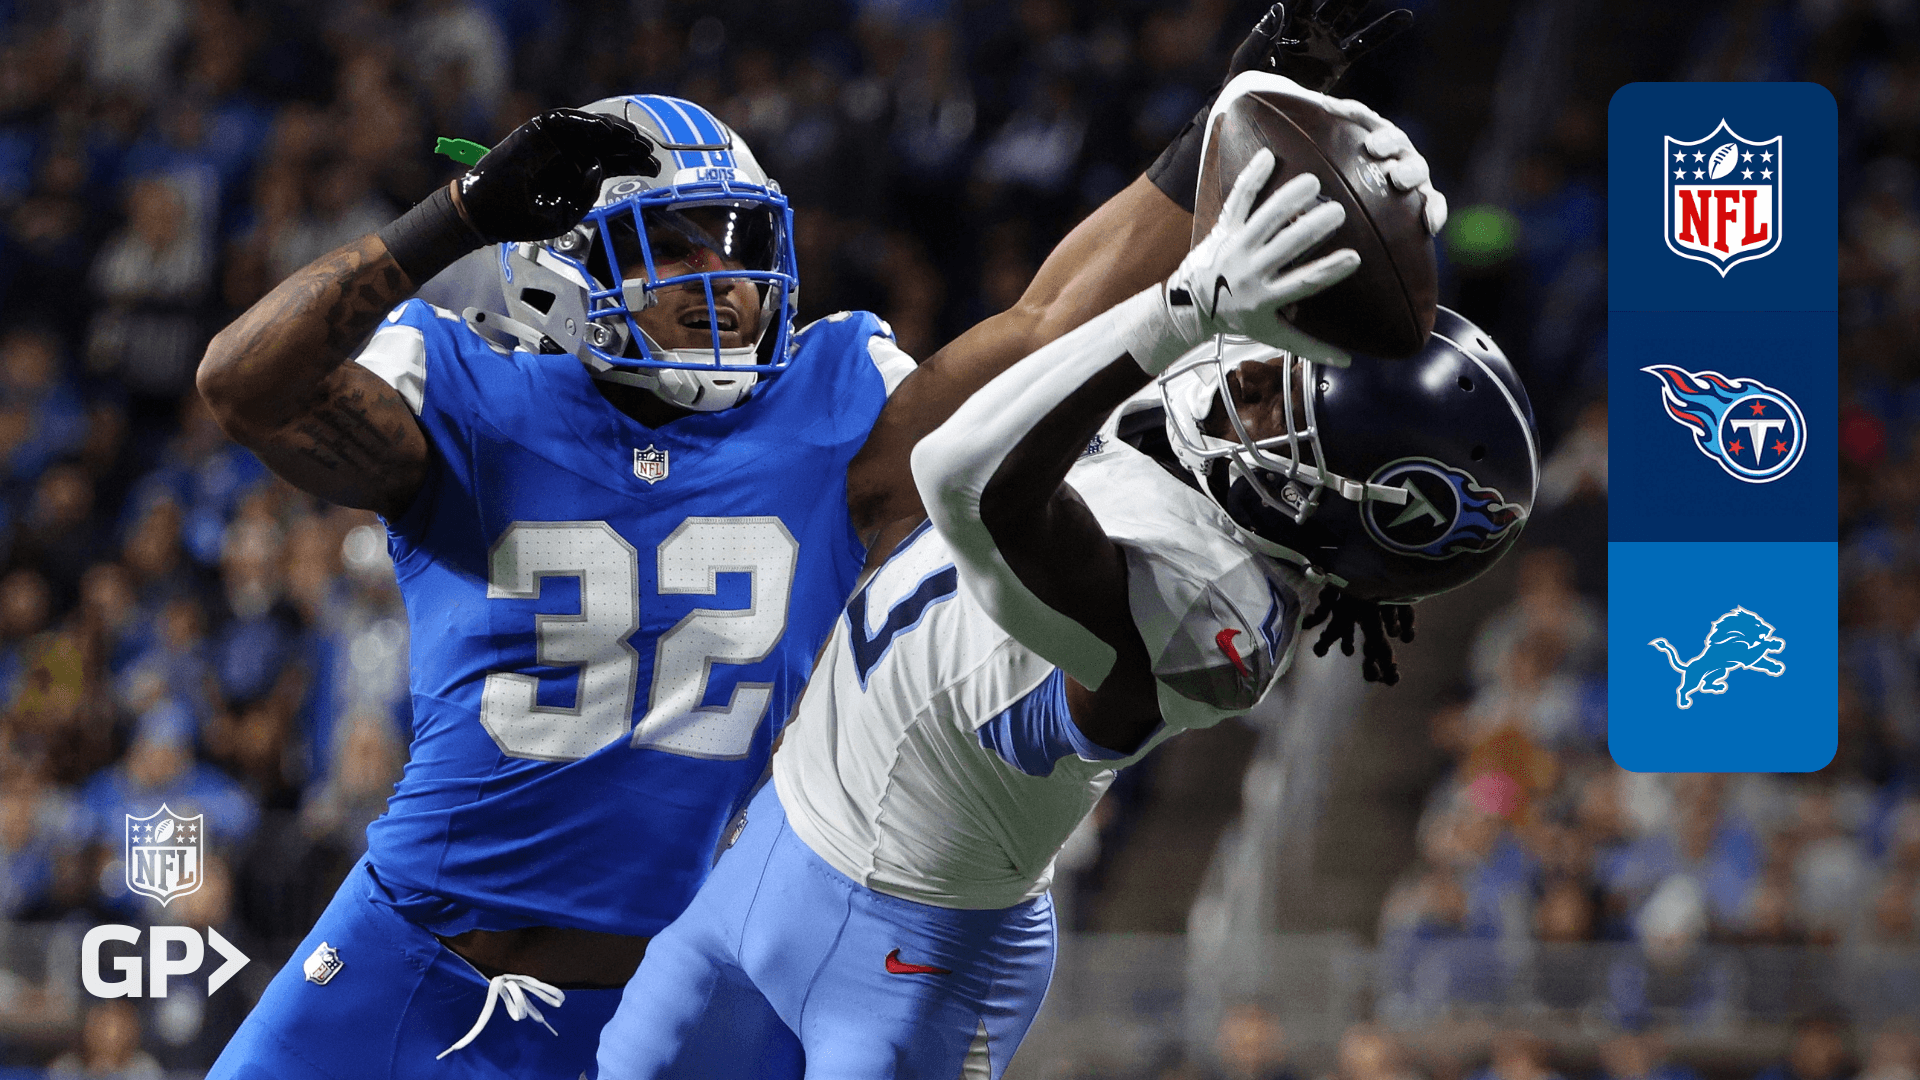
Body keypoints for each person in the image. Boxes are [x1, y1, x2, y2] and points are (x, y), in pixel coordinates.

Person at [198, 6, 1437, 1076]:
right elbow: (244, 387)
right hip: (407, 952)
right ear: (567, 268)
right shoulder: (474, 396)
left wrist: (1236, 110)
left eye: (734, 242)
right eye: (672, 245)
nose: (721, 277)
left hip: (662, 997)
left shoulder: (831, 410)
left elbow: (1049, 313)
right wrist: (458, 216)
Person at [595, 68, 1524, 1080]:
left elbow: (962, 475)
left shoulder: (1212, 612)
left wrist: (1177, 310)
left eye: (1285, 399)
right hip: (776, 841)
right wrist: (1227, 120)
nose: (1253, 371)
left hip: (917, 966)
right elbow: (1054, 314)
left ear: (1337, 503)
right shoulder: (1211, 435)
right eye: (1287, 358)